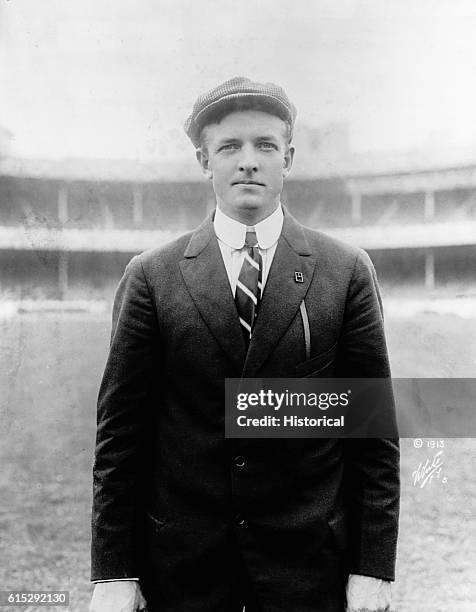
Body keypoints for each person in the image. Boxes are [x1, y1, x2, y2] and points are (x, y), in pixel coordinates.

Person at [90, 76, 400, 612]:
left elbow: (373, 434)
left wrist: (372, 567)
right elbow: (121, 437)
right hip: (183, 572)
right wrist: (114, 573)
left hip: (309, 570)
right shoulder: (151, 276)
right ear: (203, 161)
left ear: (289, 158)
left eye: (266, 145)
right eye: (229, 146)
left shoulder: (346, 270)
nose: (248, 161)